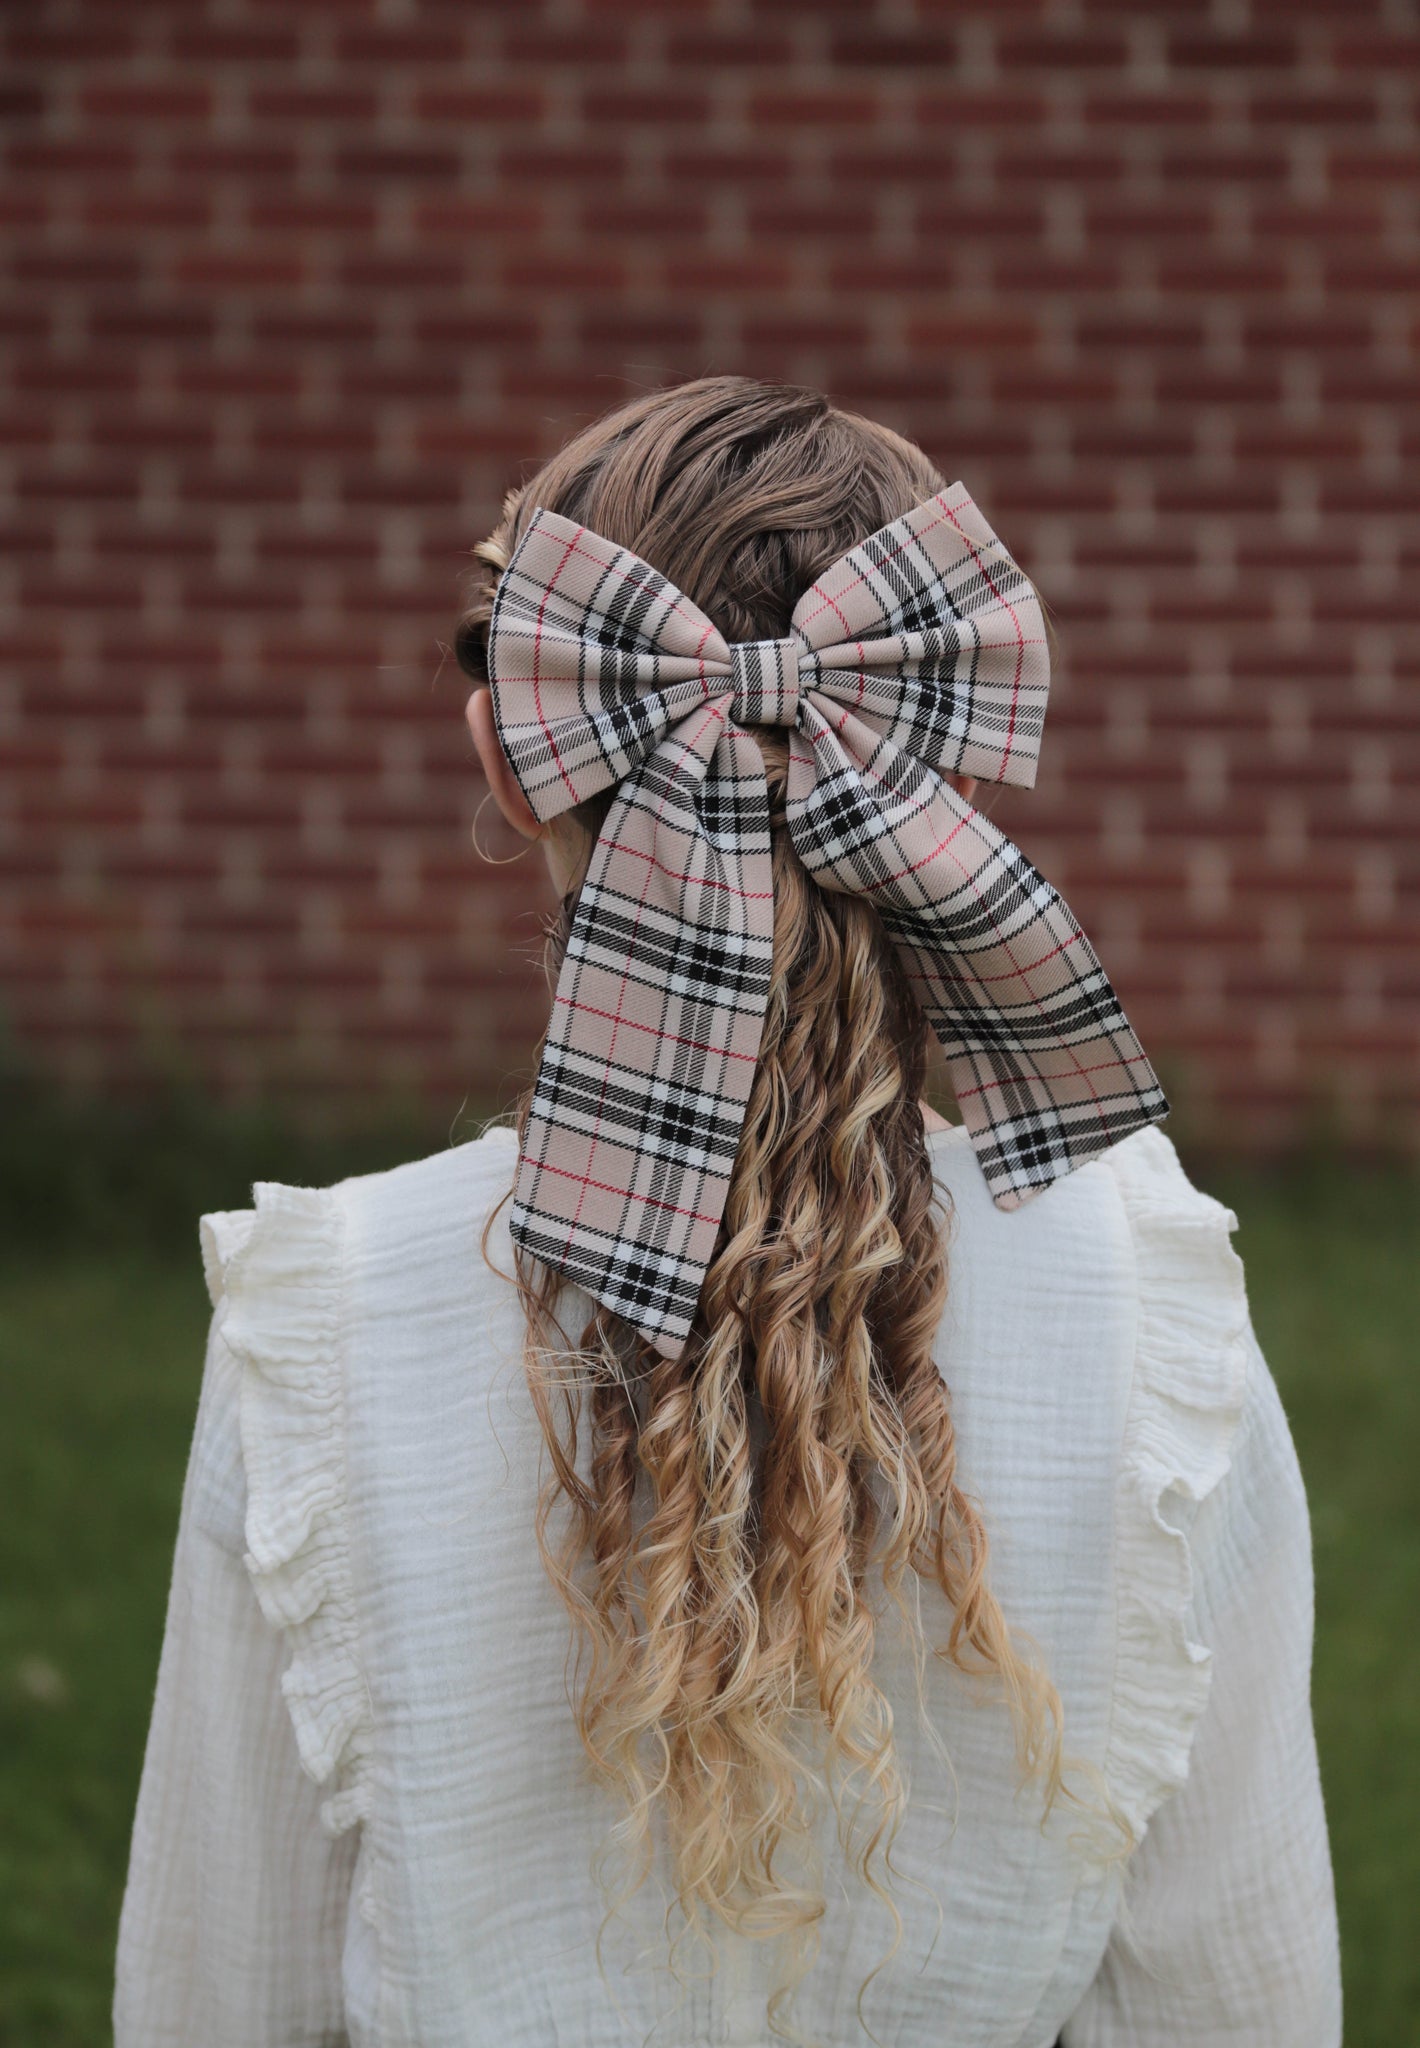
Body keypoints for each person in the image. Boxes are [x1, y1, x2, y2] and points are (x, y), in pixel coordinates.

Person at [114, 377, 1341, 2047]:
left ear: (511, 758)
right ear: (949, 760)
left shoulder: (324, 1325)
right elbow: (1239, 2000)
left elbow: (219, 1993)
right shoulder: (1159, 1324)